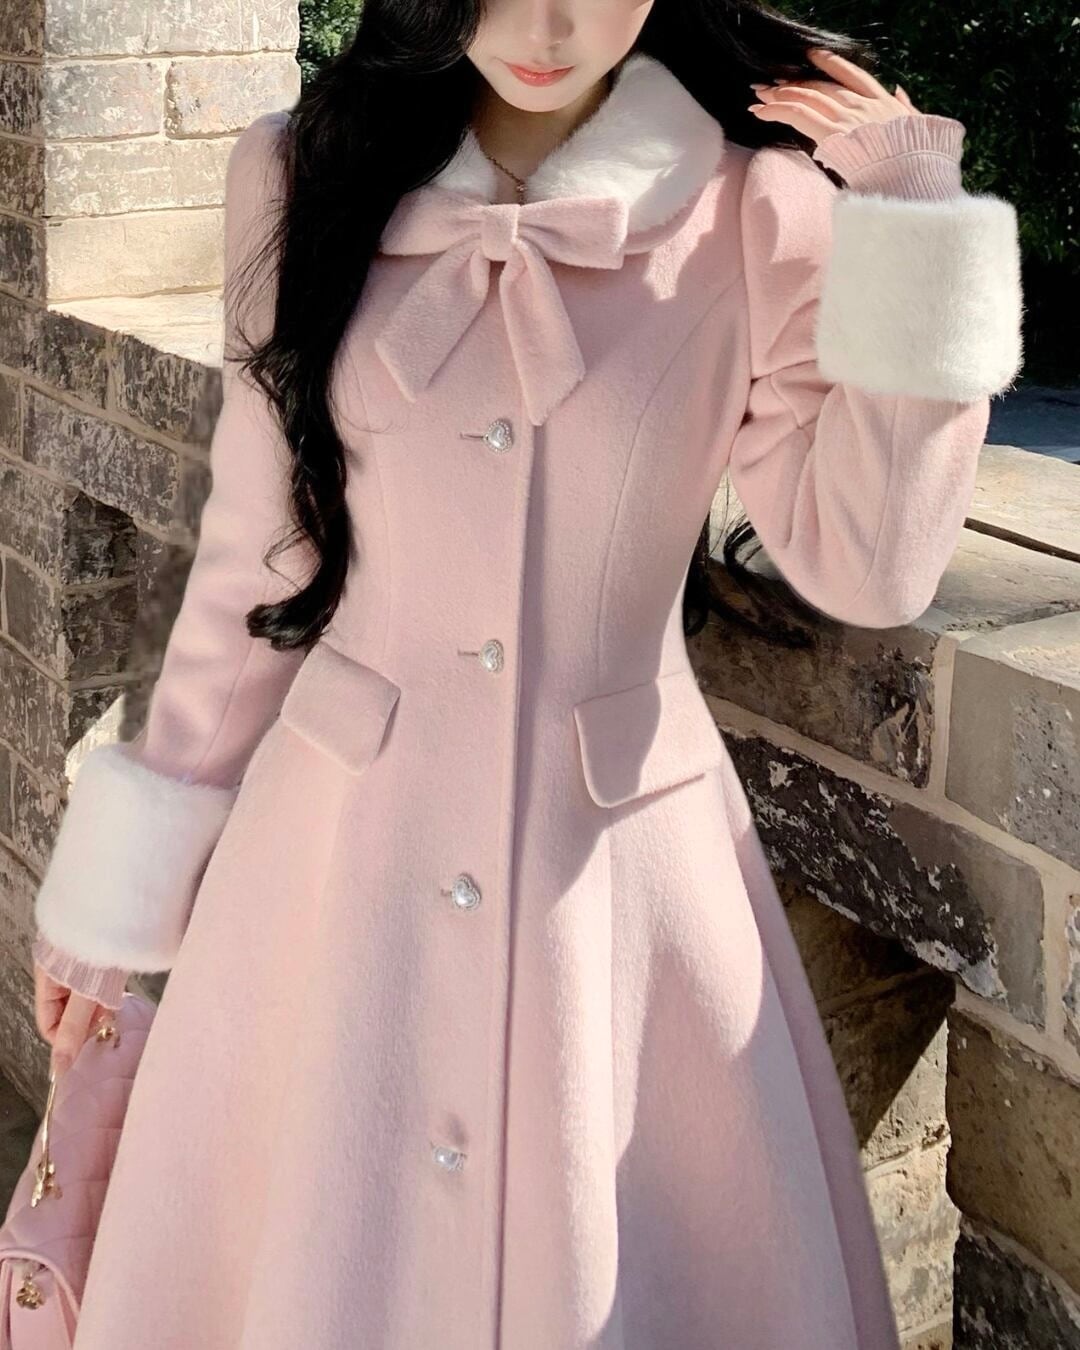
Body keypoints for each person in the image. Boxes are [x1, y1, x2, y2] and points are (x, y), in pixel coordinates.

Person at [29, 0, 1022, 1345]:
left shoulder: (755, 209)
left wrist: (913, 222)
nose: (547, 22)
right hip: (331, 878)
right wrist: (117, 901)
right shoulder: (300, 174)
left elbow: (871, 565)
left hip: (623, 893)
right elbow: (257, 555)